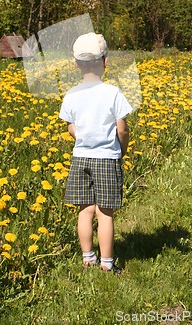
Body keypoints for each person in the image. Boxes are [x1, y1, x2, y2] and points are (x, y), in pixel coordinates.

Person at [59, 32, 132, 273]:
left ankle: (88, 258)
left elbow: (71, 126)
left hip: (80, 158)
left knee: (85, 210)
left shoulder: (71, 94)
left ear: (76, 64)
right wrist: (122, 148)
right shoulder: (113, 93)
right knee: (104, 213)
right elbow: (122, 129)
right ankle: (107, 264)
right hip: (107, 159)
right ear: (105, 62)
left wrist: (81, 137)